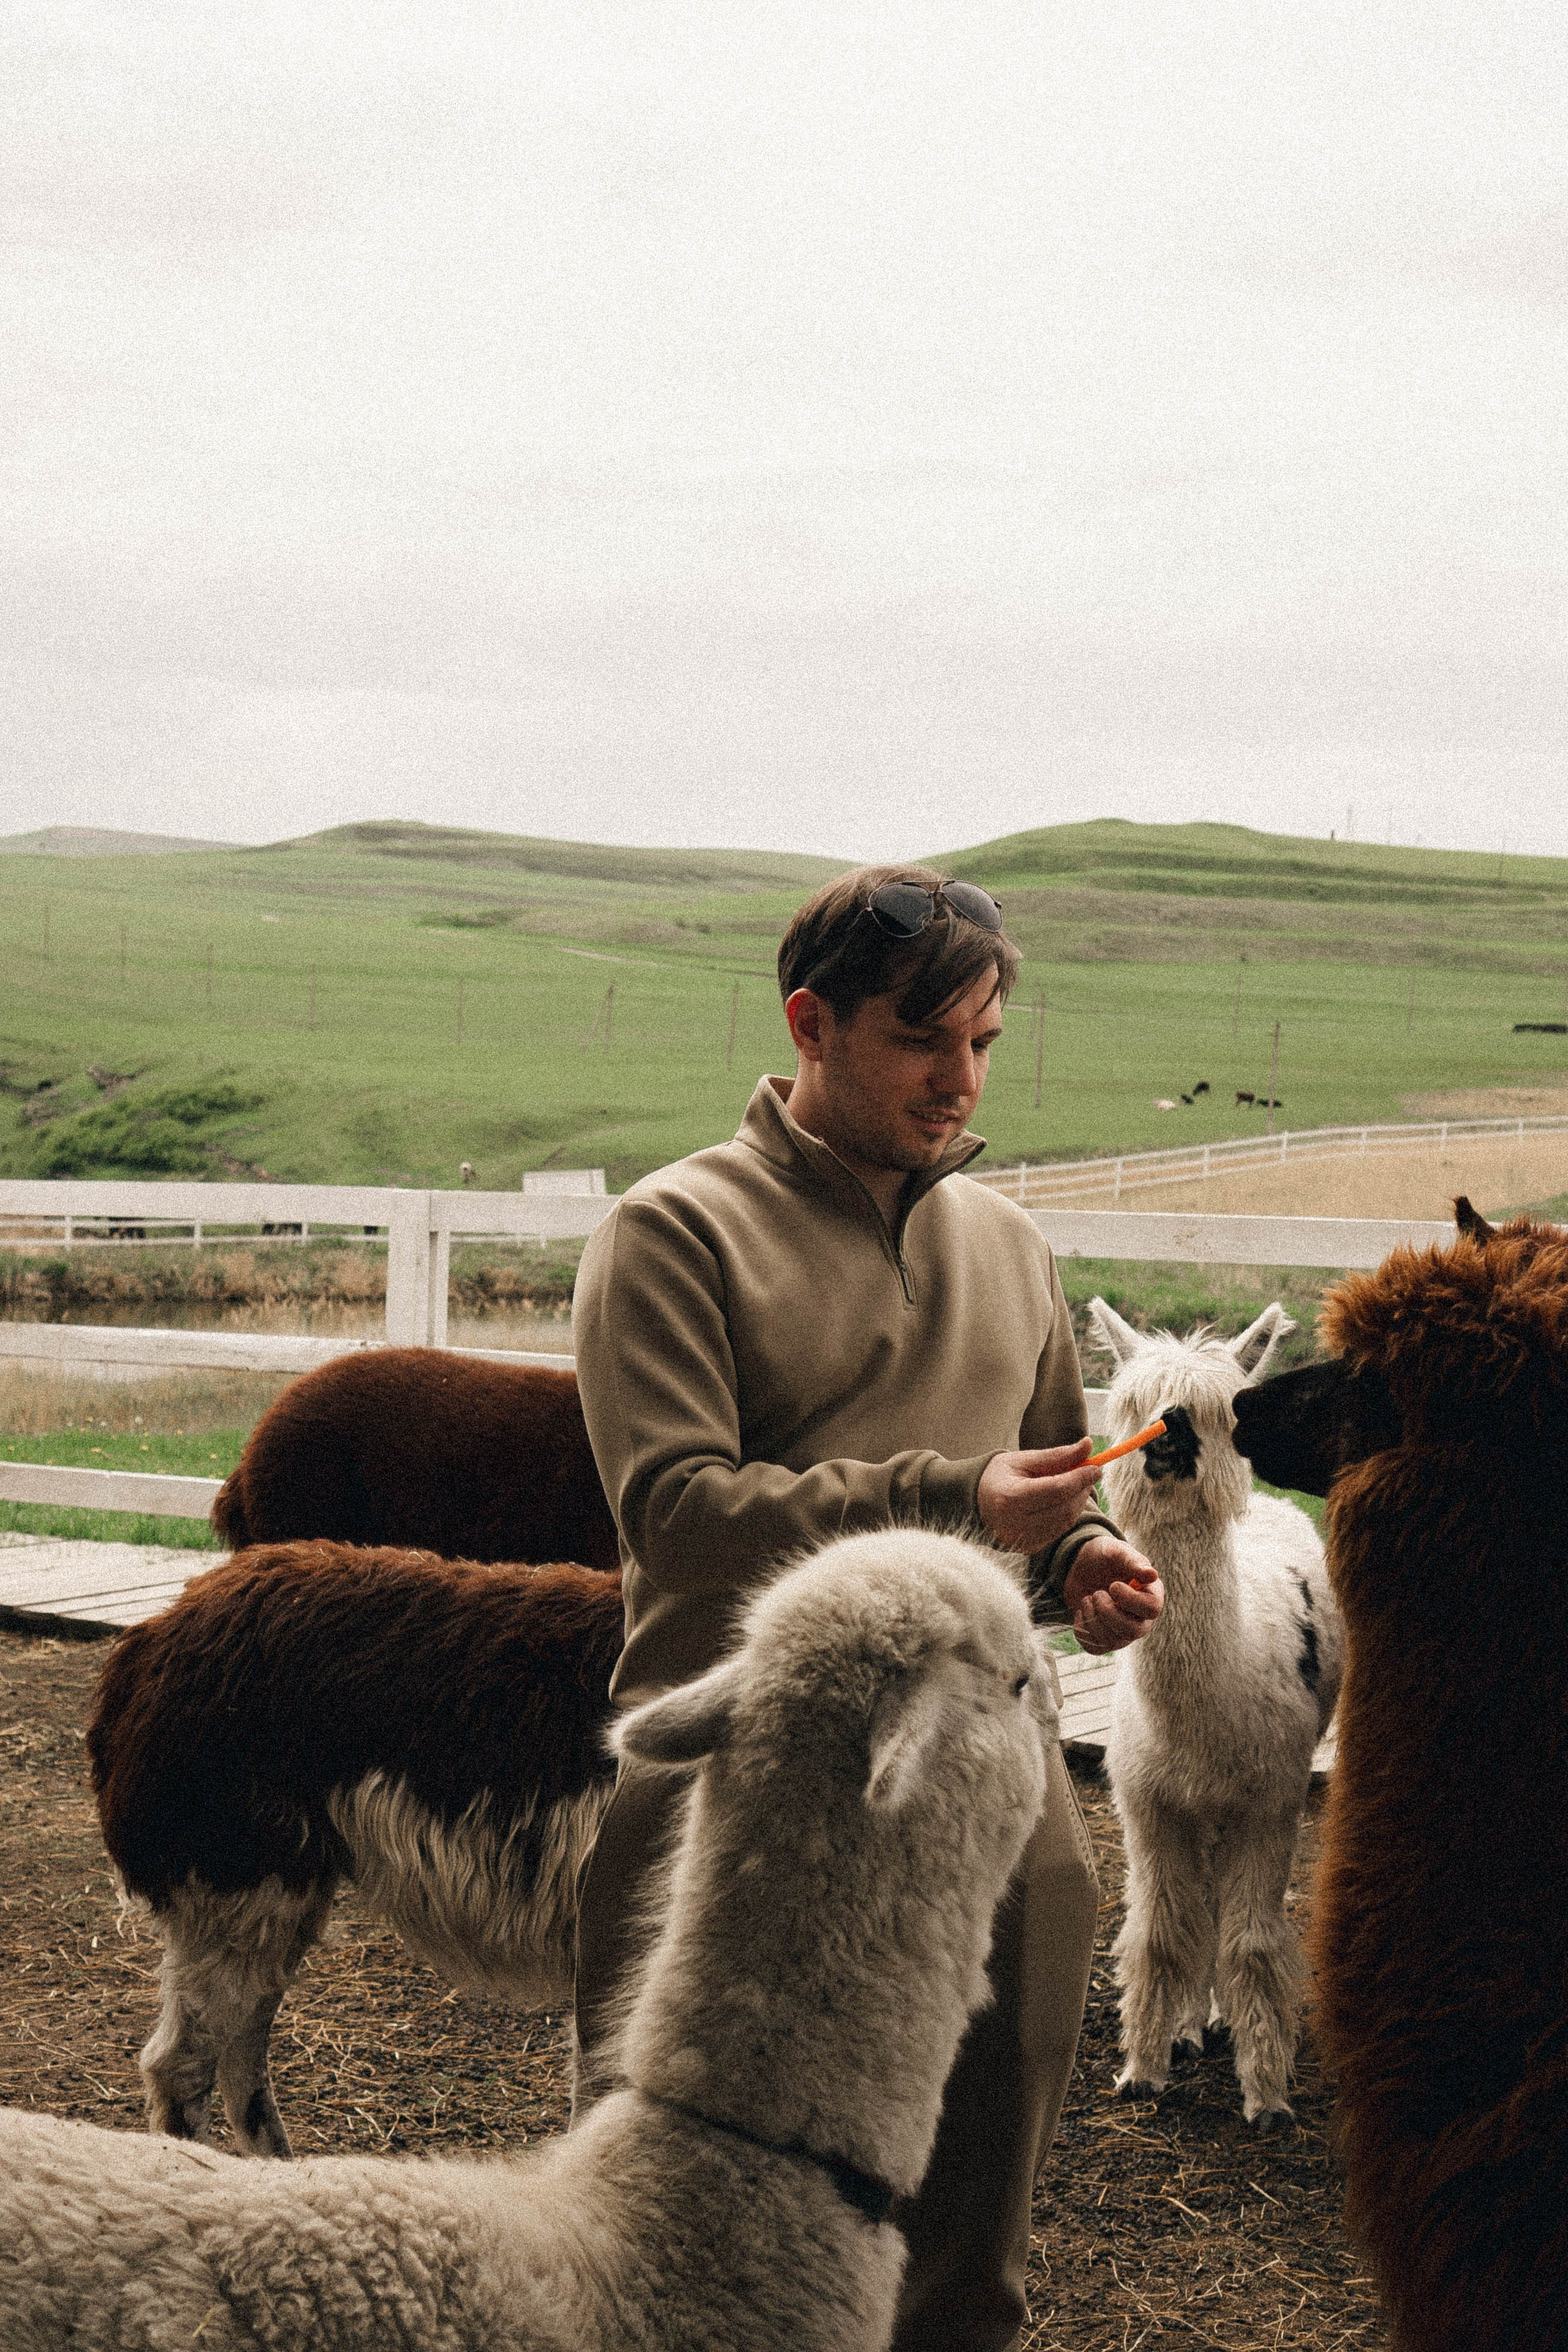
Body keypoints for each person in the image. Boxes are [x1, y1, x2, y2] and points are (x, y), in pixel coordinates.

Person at [571, 864, 1163, 2352]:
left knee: (985, 2158)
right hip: (740, 1760)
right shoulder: (671, 1233)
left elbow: (1047, 1485)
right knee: (670, 2208)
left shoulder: (1012, 1248)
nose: (959, 1082)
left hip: (983, 1758)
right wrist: (954, 1498)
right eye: (922, 1042)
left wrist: (1077, 1554)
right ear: (809, 1024)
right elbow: (677, 1517)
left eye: (983, 1045)